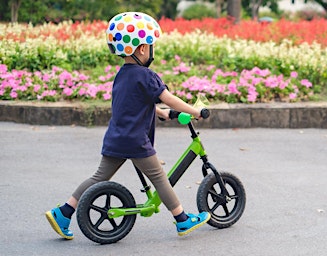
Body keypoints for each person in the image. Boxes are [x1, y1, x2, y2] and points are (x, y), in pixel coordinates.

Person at [45, 12, 210, 240]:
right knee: (160, 178)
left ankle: (63, 212)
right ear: (142, 49)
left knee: (98, 178)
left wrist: (161, 114)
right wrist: (195, 110)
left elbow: (132, 105)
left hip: (116, 138)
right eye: (151, 45)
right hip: (135, 141)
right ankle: (182, 219)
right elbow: (168, 97)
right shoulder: (147, 76)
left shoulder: (122, 75)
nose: (152, 50)